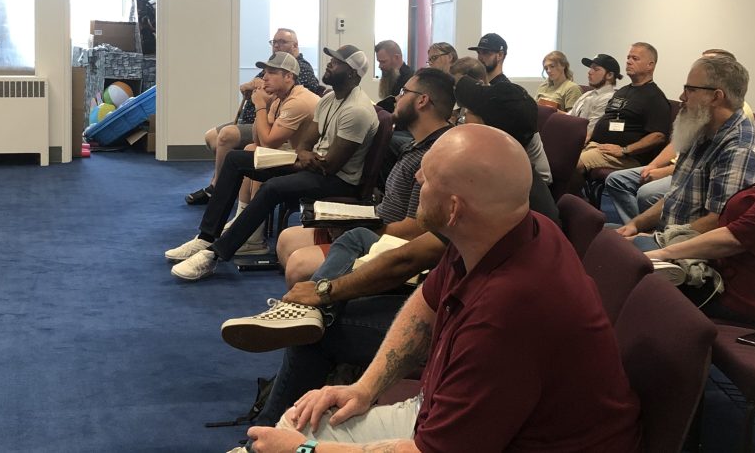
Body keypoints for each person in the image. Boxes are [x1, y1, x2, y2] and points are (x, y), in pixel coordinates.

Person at [240, 126, 641, 453]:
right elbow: (426, 304)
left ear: (453, 209)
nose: (417, 177)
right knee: (301, 421)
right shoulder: (509, 230)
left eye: (427, 178)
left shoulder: (508, 313)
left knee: (295, 440)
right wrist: (364, 388)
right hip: (471, 421)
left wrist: (301, 451)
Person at [219, 81, 561, 429]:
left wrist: (325, 293)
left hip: (470, 336)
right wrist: (363, 382)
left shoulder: (492, 203)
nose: (456, 123)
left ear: (486, 136)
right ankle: (304, 333)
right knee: (327, 310)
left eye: (465, 119)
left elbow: (409, 260)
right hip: (454, 313)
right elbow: (431, 290)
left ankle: (262, 434)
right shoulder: (507, 185)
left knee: (319, 334)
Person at [165, 45, 377, 282]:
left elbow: (331, 166)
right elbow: (305, 143)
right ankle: (206, 236)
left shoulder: (357, 110)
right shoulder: (329, 99)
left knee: (274, 187)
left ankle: (215, 255)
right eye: (331, 60)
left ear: (351, 73)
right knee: (236, 160)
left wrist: (305, 155)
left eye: (336, 62)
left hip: (337, 181)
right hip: (312, 165)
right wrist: (304, 154)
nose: (329, 64)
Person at [273, 68, 455, 286]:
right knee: (287, 240)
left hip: (388, 242)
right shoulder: (414, 144)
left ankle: (319, 308)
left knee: (298, 265)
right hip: (376, 226)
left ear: (422, 100)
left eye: (404, 92)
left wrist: (361, 227)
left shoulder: (435, 154)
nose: (397, 98)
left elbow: (417, 228)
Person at [616, 56, 755, 237]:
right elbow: (674, 196)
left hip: (690, 254)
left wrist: (655, 240)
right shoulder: (702, 129)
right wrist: (635, 224)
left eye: (690, 90)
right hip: (670, 237)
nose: (682, 97)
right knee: (602, 239)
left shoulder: (740, 147)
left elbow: (718, 223)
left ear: (716, 97)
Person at [644, 117, 755, 328]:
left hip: (736, 294)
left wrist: (664, 252)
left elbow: (733, 237)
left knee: (644, 290)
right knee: (631, 256)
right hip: (718, 270)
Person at [186, 28, 320, 205]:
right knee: (213, 137)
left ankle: (218, 189)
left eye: (282, 42)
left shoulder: (300, 71)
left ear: (295, 45)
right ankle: (237, 201)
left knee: (230, 138)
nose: (277, 45)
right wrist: (253, 89)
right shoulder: (275, 72)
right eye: (274, 42)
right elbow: (249, 88)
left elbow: (270, 139)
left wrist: (260, 104)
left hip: (288, 137)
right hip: (257, 121)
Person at [232, 51, 322, 253]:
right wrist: (263, 105)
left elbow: (269, 143)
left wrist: (260, 106)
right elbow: (259, 139)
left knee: (258, 157)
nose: (264, 77)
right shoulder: (280, 98)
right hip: (295, 155)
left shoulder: (298, 100)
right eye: (265, 72)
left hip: (311, 166)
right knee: (251, 150)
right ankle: (242, 220)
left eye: (272, 72)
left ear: (289, 77)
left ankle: (253, 237)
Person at [576, 42, 671, 173]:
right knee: (561, 154)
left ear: (650, 65)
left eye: (635, 58)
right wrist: (588, 136)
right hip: (599, 146)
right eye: (628, 58)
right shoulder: (622, 91)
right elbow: (607, 118)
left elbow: (658, 136)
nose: (629, 62)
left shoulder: (655, 97)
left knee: (571, 163)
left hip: (625, 156)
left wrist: (625, 150)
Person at [568, 53, 620, 137]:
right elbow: (569, 118)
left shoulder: (609, 99)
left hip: (583, 142)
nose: (589, 72)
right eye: (590, 68)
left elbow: (589, 131)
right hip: (571, 136)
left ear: (609, 75)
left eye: (596, 69)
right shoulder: (587, 94)